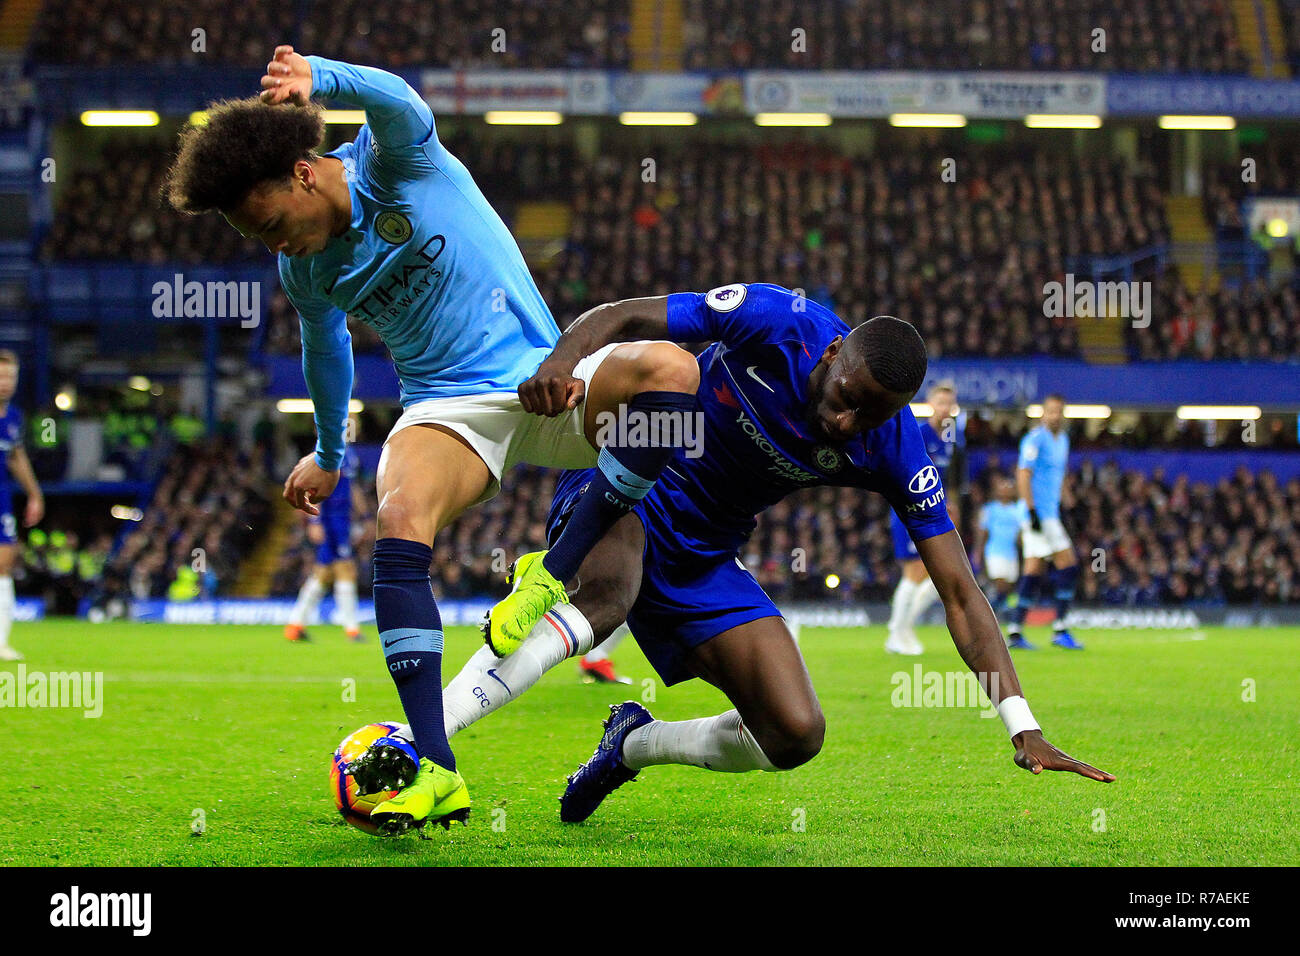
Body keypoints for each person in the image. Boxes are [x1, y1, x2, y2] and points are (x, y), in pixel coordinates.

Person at [164, 46, 699, 833]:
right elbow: (327, 350)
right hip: (446, 409)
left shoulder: (395, 167)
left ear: (305, 174)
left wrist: (319, 75)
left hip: (542, 379)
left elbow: (403, 101)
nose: (276, 247)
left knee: (671, 371)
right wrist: (328, 452)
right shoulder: (306, 273)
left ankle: (551, 574)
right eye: (259, 239)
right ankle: (439, 770)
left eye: (274, 224)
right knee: (398, 511)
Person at [350, 284, 1113, 820]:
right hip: (630, 482)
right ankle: (418, 744)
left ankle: (632, 745)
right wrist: (560, 361)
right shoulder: (777, 319)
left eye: (871, 414)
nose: (849, 423)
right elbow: (626, 315)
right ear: (834, 351)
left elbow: (958, 590)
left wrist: (1022, 723)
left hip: (708, 554)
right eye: (848, 396)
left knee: (794, 733)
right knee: (607, 593)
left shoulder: (893, 443)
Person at [884, 382, 961, 655]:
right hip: (910, 511)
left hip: (934, 512)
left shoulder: (952, 437)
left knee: (934, 574)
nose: (945, 409)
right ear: (931, 405)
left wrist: (951, 505)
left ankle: (901, 629)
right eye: (940, 403)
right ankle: (897, 632)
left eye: (949, 404)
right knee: (915, 572)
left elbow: (950, 478)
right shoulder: (918, 432)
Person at [1005, 395, 1082, 650]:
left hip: (1050, 512)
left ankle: (1015, 631)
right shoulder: (1035, 439)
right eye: (1050, 411)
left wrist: (1070, 505)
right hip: (1038, 514)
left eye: (1059, 411)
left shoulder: (1063, 441)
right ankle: (1060, 628)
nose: (1054, 416)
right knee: (1068, 565)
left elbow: (1058, 477)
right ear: (1043, 414)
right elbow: (1023, 474)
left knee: (1034, 570)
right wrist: (1032, 511)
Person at [285, 443, 366, 642]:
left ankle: (295, 626)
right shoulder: (327, 445)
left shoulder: (349, 452)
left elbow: (351, 487)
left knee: (323, 574)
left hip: (343, 520)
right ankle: (352, 630)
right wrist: (315, 520)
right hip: (331, 520)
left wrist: (365, 516)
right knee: (345, 569)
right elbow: (315, 485)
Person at [0, 351, 44, 661]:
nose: (5, 383)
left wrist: (34, 494)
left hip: (1, 495)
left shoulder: (13, 416)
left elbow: (15, 456)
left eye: (10, 377)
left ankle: (1, 641)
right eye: (1, 376)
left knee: (5, 562)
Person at [974, 474, 1025, 641]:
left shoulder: (1017, 509)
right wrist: (978, 552)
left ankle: (992, 621)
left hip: (1011, 553)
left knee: (1009, 589)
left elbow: (1020, 534)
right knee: (1001, 585)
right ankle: (986, 623)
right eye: (1003, 487)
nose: (1006, 490)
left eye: (1009, 487)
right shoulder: (989, 509)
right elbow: (982, 532)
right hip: (994, 552)